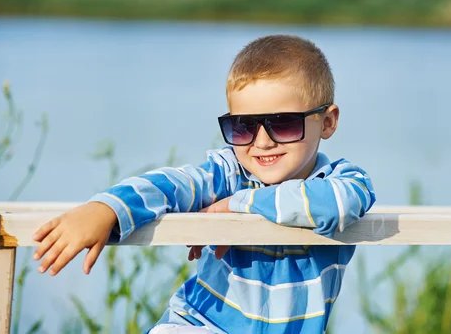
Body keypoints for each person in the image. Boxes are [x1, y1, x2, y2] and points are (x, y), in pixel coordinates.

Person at [32, 34, 376, 334]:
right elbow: (171, 184)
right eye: (243, 127)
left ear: (327, 122)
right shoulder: (228, 174)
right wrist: (106, 208)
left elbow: (334, 206)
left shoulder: (345, 182)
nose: (262, 142)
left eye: (283, 124)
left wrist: (235, 205)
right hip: (200, 324)